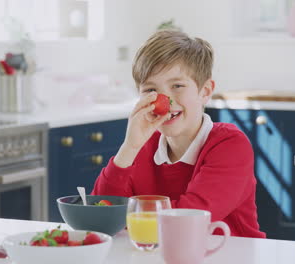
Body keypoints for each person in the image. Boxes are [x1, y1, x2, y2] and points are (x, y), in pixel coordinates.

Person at [91, 30, 266, 238]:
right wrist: (129, 147)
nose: (164, 101)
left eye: (177, 86)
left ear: (205, 91)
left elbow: (190, 217)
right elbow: (101, 213)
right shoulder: (142, 146)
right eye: (150, 90)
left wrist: (125, 215)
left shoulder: (230, 145)